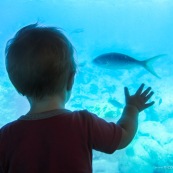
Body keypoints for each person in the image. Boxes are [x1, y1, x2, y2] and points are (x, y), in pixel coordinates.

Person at [0, 24, 155, 173]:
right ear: (71, 79)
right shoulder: (84, 123)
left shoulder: (5, 137)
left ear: (17, 86)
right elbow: (123, 136)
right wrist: (132, 108)